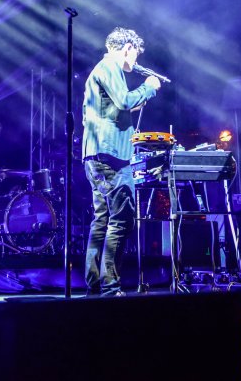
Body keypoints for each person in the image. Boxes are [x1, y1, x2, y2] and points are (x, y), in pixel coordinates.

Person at [82, 27, 162, 297]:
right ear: (128, 47)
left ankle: (95, 284)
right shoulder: (110, 66)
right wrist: (148, 88)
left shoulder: (99, 70)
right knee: (121, 220)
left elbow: (112, 109)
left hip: (95, 155)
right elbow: (125, 100)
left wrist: (138, 101)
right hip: (112, 156)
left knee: (102, 220)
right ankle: (110, 286)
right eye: (136, 54)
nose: (136, 61)